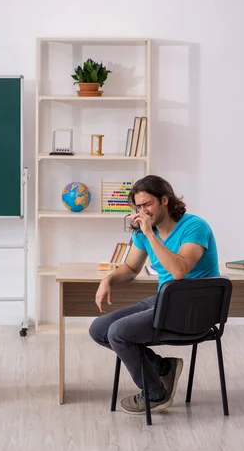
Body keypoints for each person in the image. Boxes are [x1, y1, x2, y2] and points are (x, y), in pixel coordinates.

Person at [89, 175, 219, 415]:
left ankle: (156, 393)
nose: (143, 212)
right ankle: (162, 367)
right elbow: (130, 269)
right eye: (138, 207)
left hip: (196, 311)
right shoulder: (143, 234)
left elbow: (179, 270)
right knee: (99, 329)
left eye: (147, 204)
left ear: (165, 200)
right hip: (166, 303)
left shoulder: (194, 227)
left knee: (118, 332)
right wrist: (108, 280)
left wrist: (150, 234)